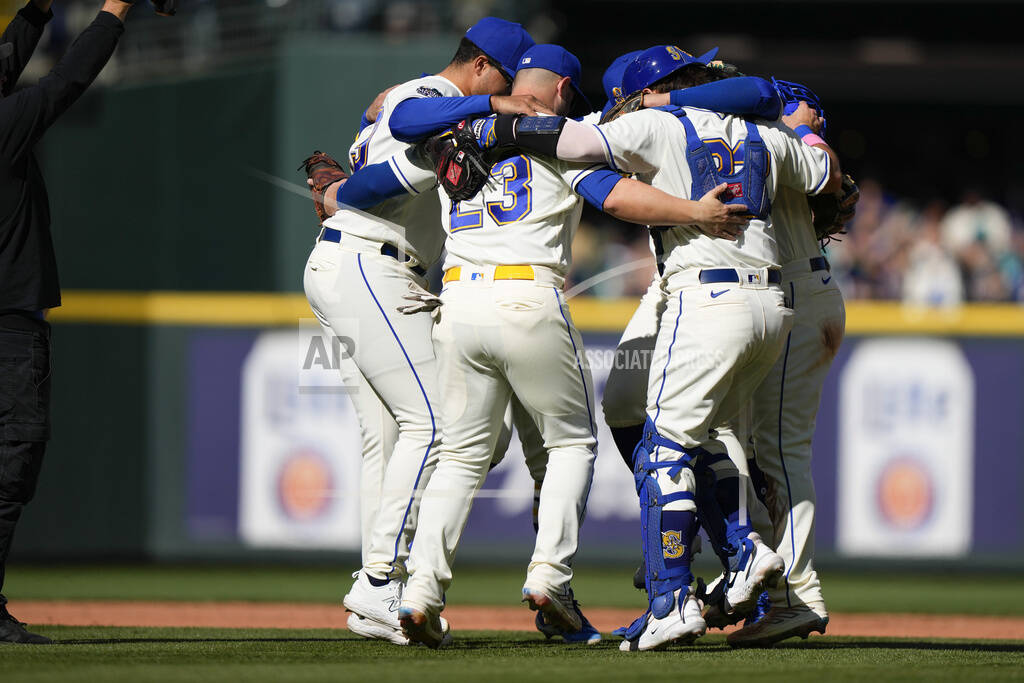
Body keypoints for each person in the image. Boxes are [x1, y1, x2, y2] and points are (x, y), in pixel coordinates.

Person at [472, 44, 842, 651]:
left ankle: (688, 590)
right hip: (769, 300)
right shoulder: (766, 132)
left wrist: (494, 122)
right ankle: (731, 556)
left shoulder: (654, 123)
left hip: (709, 296)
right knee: (681, 428)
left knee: (667, 450)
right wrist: (805, 144)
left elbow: (575, 149)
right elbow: (825, 172)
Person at [394, 44, 752, 649]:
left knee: (460, 455)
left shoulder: (458, 123)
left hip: (456, 299)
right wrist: (692, 210)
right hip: (525, 294)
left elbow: (399, 118)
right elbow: (615, 198)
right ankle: (549, 577)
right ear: (562, 87)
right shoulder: (565, 132)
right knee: (571, 443)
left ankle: (420, 590)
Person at [303, 16, 543, 646]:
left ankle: (373, 594)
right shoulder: (428, 99)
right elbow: (407, 129)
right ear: (486, 66)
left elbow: (387, 132)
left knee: (388, 439)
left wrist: (342, 195)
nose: (517, 93)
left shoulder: (420, 101)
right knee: (439, 423)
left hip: (356, 260)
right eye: (511, 80)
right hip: (368, 261)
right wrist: (345, 195)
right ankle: (381, 580)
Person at [0, 0, 169, 645]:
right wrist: (113, 12)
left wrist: (39, 11)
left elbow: (11, 65)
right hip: (8, 323)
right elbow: (65, 82)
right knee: (12, 461)